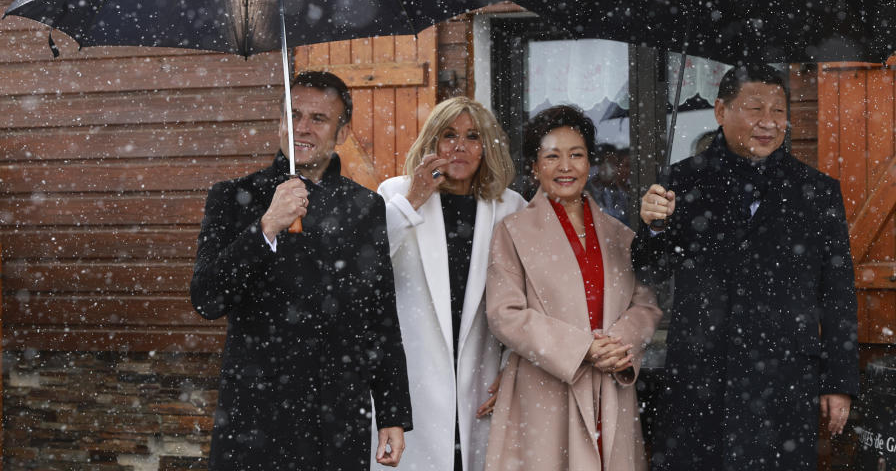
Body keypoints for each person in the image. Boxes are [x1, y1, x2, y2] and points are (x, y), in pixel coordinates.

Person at [634, 63, 858, 471]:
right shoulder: (682, 183)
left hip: (785, 378)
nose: (769, 123)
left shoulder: (817, 192)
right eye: (755, 108)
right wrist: (651, 227)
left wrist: (839, 383)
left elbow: (838, 294)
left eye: (778, 110)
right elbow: (651, 269)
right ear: (721, 111)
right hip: (701, 376)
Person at [191, 71, 412, 471]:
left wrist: (393, 413)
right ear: (279, 121)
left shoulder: (364, 208)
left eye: (319, 118)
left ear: (341, 132)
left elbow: (380, 318)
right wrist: (266, 227)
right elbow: (207, 297)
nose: (303, 128)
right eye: (294, 115)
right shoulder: (233, 198)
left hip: (339, 415)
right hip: (256, 415)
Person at [484, 105, 662, 471]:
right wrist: (584, 349)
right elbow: (505, 314)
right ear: (535, 167)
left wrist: (618, 346)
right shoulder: (512, 231)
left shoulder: (619, 233)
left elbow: (645, 306)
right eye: (552, 156)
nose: (566, 167)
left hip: (609, 387)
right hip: (545, 387)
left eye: (576, 155)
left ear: (590, 164)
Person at [375, 97, 526, 471]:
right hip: (412, 379)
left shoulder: (511, 207)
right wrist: (414, 199)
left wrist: (513, 363)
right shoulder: (395, 193)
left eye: (472, 136)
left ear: (487, 147)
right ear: (432, 144)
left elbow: (528, 298)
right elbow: (368, 265)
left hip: (482, 376)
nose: (459, 146)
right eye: (448, 135)